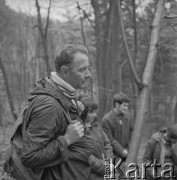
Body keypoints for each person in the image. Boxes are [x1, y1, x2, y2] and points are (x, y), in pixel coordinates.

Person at [7, 44, 95, 180]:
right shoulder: (49, 106)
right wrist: (67, 139)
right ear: (65, 71)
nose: (88, 74)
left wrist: (71, 110)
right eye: (82, 69)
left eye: (87, 68)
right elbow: (29, 156)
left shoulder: (60, 95)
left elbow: (54, 127)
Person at [80, 97, 113, 180]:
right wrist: (106, 167)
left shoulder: (96, 126)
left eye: (95, 111)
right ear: (83, 112)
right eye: (91, 112)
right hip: (89, 175)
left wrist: (109, 162)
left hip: (104, 173)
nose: (95, 115)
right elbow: (86, 156)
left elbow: (107, 144)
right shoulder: (78, 130)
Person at [102, 92, 134, 161]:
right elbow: (109, 139)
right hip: (113, 155)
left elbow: (132, 133)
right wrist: (122, 151)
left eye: (127, 106)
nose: (126, 108)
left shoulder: (128, 117)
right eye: (124, 105)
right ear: (117, 104)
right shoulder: (107, 120)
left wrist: (129, 149)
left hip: (127, 154)